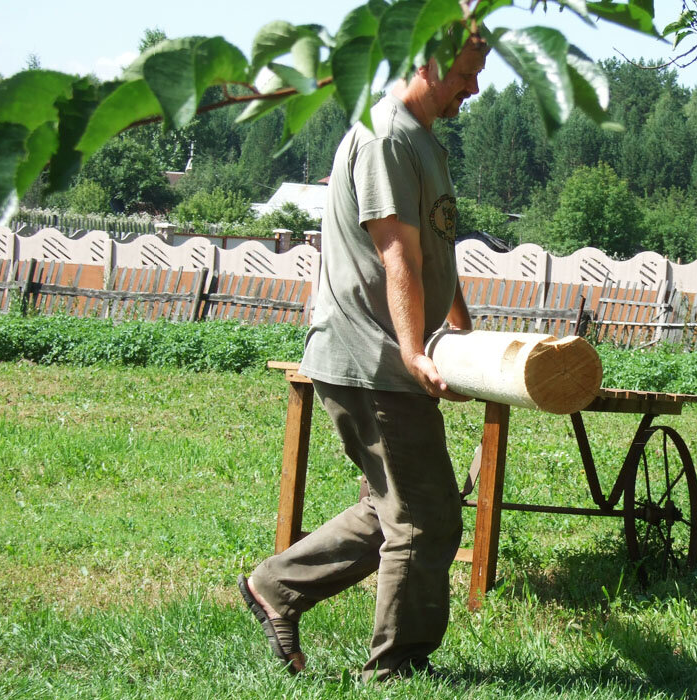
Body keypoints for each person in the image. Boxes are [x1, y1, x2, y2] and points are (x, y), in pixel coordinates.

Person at [238, 37, 487, 683]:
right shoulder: (385, 136)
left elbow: (437, 247)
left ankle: (276, 586)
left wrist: (464, 334)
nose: (474, 89)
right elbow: (395, 254)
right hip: (369, 354)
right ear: (429, 64)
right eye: (466, 74)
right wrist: (410, 351)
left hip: (388, 353)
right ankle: (396, 668)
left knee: (391, 509)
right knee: (427, 517)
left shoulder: (423, 139)